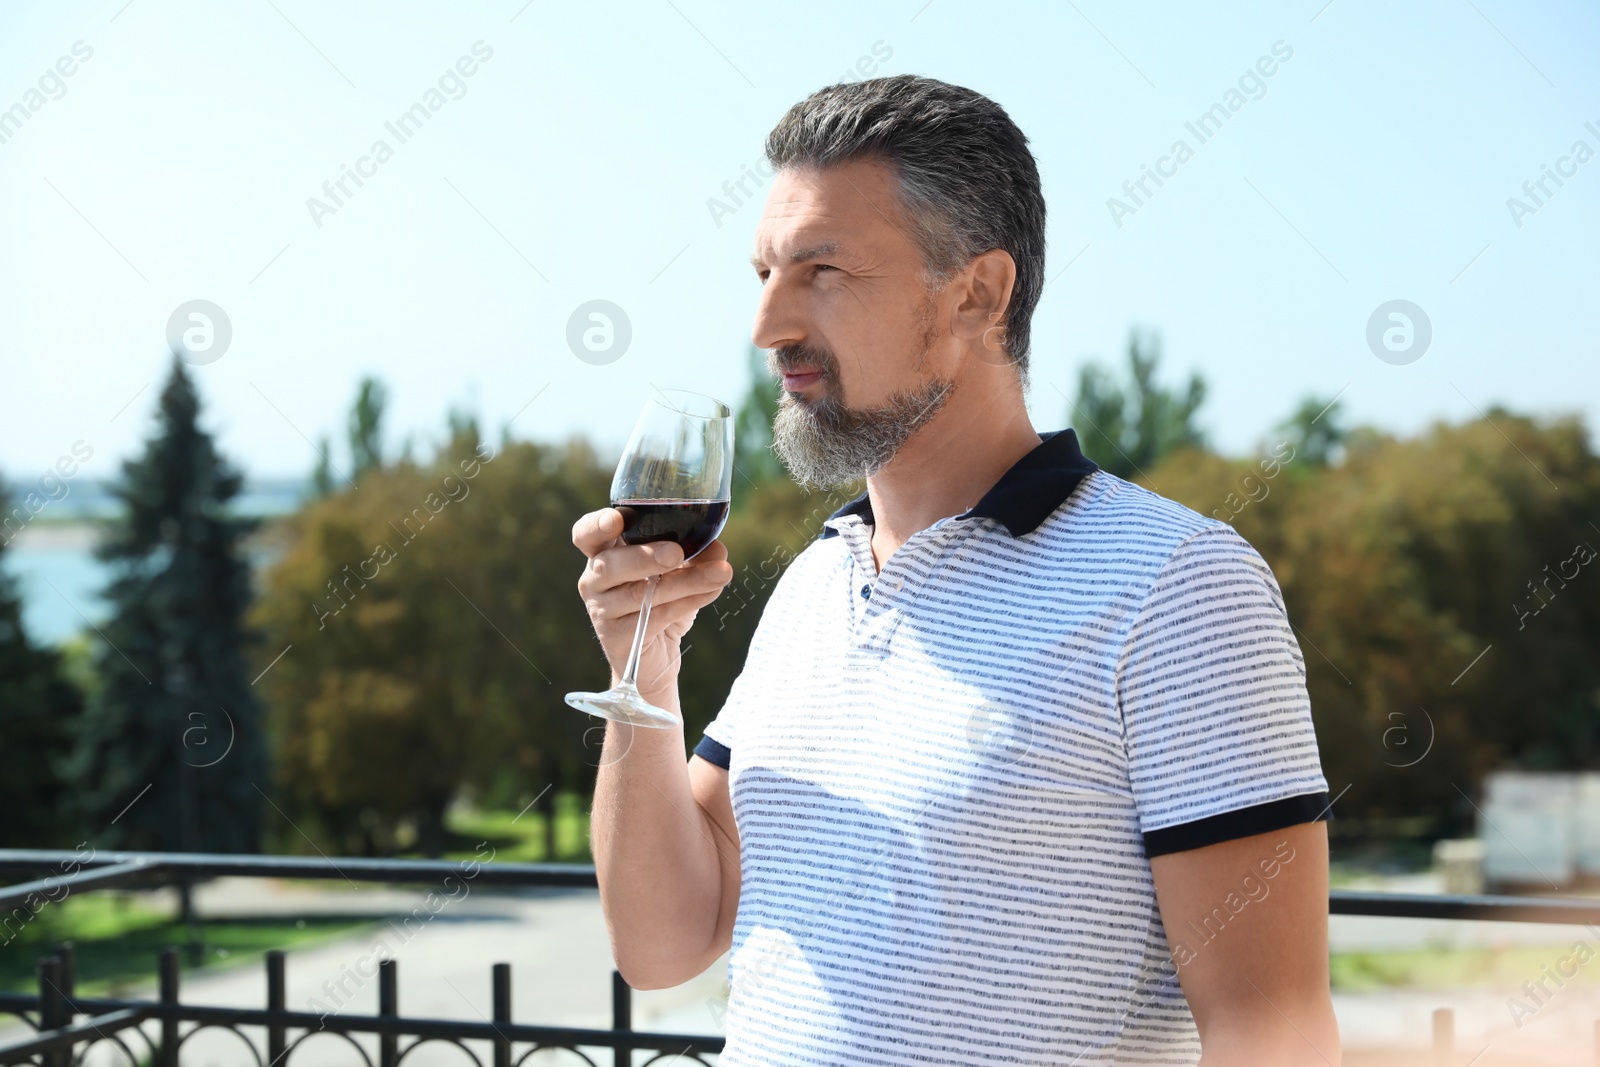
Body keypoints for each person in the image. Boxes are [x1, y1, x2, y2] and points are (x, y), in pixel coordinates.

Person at [572, 74, 1340, 1066]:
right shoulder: (812, 584)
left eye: (822, 272)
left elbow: (1271, 1033)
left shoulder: (1180, 588)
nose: (766, 326)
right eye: (763, 272)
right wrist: (647, 673)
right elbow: (663, 942)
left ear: (978, 293)